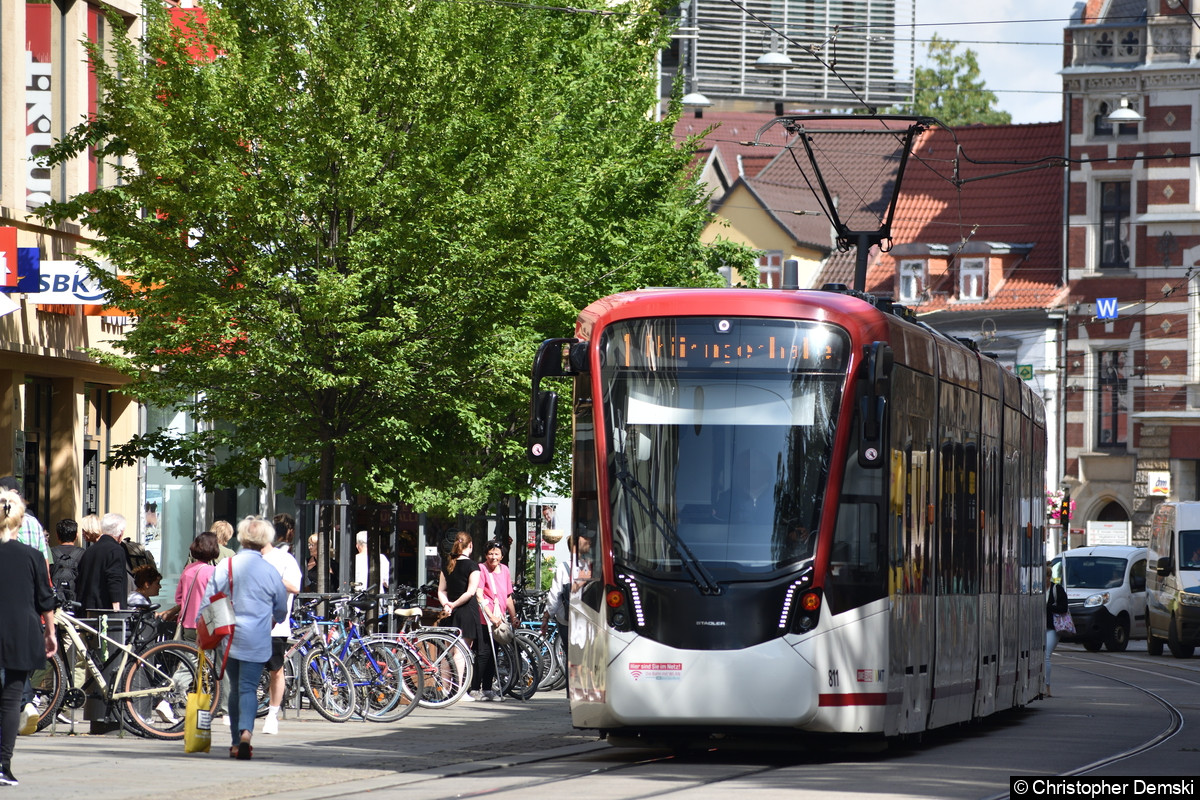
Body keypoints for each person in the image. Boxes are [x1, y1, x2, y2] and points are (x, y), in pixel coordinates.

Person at [203, 516, 288, 760]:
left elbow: (209, 599)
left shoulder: (226, 566)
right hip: (257, 637)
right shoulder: (270, 571)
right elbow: (281, 609)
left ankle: (233, 741)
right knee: (249, 688)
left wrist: (204, 629)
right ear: (265, 541)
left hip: (228, 636)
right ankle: (246, 735)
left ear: (241, 538)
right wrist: (272, 617)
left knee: (235, 689)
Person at [0, 488, 57, 786]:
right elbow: (44, 599)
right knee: (11, 699)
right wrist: (50, 631)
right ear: (19, 522)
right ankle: (2, 764)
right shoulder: (33, 556)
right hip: (20, 629)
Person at [260, 526, 301, 736]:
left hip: (275, 625)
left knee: (276, 670)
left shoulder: (284, 559)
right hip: (248, 624)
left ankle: (272, 715)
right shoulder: (246, 559)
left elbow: (295, 586)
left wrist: (272, 578)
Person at [437, 532, 482, 700]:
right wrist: (454, 604)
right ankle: (459, 691)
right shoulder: (473, 566)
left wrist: (447, 605)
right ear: (470, 546)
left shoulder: (447, 564)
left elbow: (441, 590)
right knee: (461, 652)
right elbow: (470, 592)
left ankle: (445, 688)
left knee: (447, 652)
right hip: (466, 611)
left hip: (449, 613)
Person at [475, 540, 519, 700]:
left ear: (502, 555)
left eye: (496, 553)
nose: (493, 557)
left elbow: (508, 597)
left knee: (495, 655)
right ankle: (475, 688)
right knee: (484, 653)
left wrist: (513, 617)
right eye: (490, 553)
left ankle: (487, 689)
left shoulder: (505, 570)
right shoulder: (482, 569)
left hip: (499, 618)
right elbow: (479, 594)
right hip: (485, 618)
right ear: (486, 555)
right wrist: (490, 616)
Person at [76, 513, 129, 611]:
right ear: (121, 532)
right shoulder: (116, 550)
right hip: (106, 611)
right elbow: (114, 578)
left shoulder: (89, 551)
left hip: (87, 610)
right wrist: (117, 608)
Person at [174, 532, 220, 643]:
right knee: (208, 658)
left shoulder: (188, 569)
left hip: (187, 623)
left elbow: (178, 598)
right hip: (207, 624)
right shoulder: (213, 572)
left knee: (190, 658)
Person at [1045, 564, 1069, 698]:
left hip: (1053, 628)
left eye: (1046, 578)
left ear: (1049, 577)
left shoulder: (1057, 589)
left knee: (1046, 655)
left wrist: (1048, 607)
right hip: (1038, 627)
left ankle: (1047, 687)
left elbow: (1063, 608)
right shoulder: (1035, 589)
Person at [49, 519, 83, 606]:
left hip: (55, 602)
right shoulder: (83, 554)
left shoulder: (49, 552)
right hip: (76, 603)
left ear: (57, 535)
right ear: (76, 536)